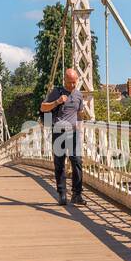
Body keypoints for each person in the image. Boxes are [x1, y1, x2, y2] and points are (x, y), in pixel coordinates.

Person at [40, 66, 86, 206]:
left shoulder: (78, 95)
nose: (72, 85)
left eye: (74, 82)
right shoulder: (57, 92)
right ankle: (62, 194)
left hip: (73, 132)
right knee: (59, 164)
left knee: (77, 162)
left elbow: (79, 113)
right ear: (64, 80)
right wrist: (57, 102)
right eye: (69, 82)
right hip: (58, 131)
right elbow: (43, 107)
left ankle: (77, 195)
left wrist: (80, 125)